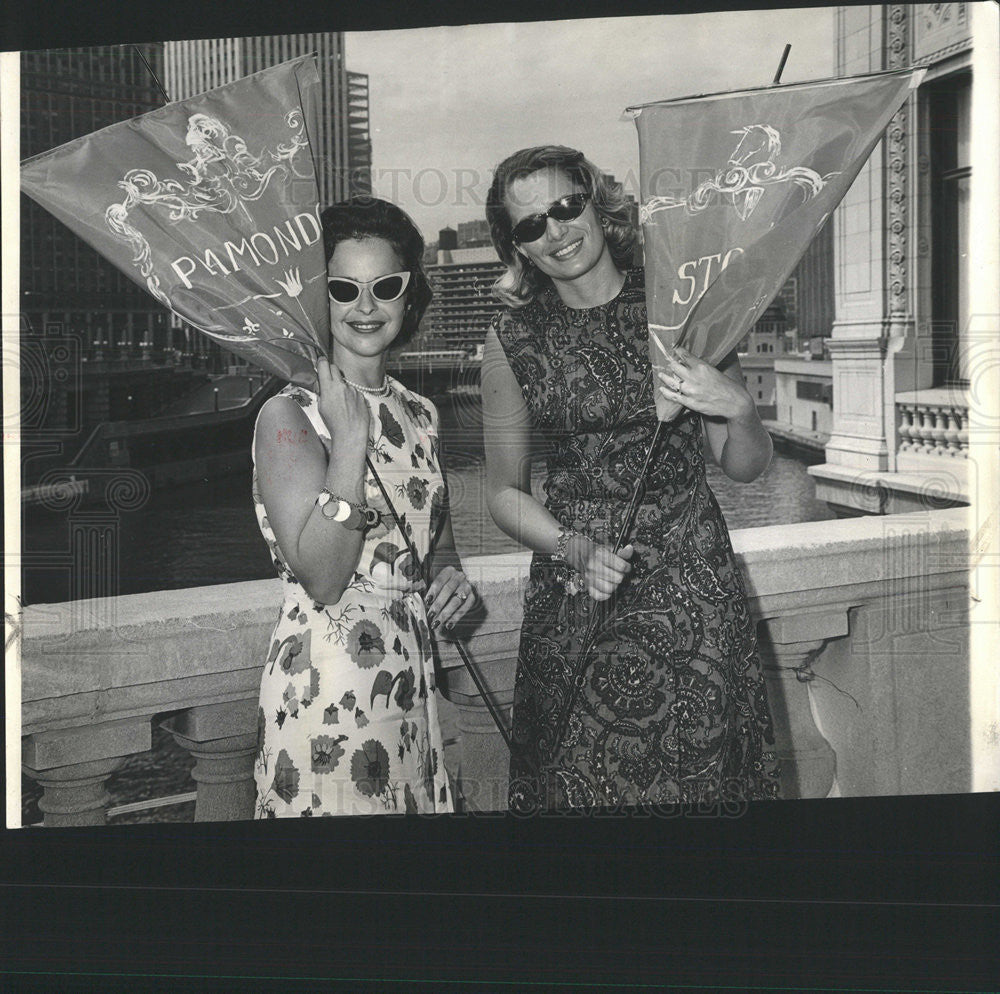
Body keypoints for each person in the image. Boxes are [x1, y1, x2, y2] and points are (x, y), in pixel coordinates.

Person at [482, 145, 781, 812]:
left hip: (693, 594)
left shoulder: (680, 311)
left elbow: (746, 465)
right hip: (579, 594)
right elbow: (502, 491)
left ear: (596, 201)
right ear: (518, 249)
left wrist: (737, 407)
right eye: (532, 226)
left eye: (566, 207)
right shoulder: (511, 339)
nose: (557, 232)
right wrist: (575, 550)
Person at [251, 197, 476, 817]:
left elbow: (434, 541)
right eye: (344, 287)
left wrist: (451, 577)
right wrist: (347, 442)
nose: (366, 307)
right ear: (318, 298)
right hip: (329, 685)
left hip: (412, 675)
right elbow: (322, 577)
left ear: (410, 295)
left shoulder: (420, 413)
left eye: (386, 286)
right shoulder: (288, 414)